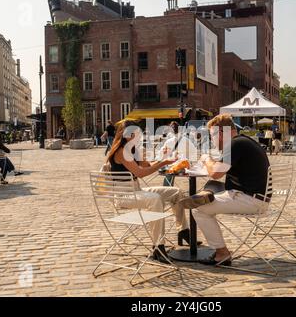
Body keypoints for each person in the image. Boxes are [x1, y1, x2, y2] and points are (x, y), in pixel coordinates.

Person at [178, 114, 271, 266]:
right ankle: (206, 195)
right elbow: (220, 168)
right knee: (211, 188)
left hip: (250, 200)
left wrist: (206, 158)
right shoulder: (242, 142)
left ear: (220, 133)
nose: (212, 140)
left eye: (212, 135)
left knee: (198, 209)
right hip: (256, 197)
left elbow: (216, 173)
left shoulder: (235, 145)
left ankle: (222, 253)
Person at [106, 119, 192, 264]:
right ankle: (158, 246)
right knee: (155, 199)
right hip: (124, 195)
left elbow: (148, 165)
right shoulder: (121, 151)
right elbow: (141, 173)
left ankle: (183, 230)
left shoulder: (132, 149)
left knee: (175, 192)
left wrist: (163, 158)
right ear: (127, 135)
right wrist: (163, 163)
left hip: (136, 190)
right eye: (137, 134)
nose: (140, 137)